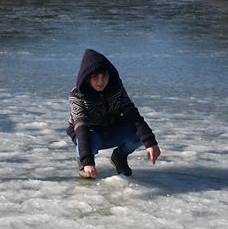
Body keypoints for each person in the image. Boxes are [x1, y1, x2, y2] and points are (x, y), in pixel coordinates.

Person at [67, 48, 161, 179]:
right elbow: (81, 128)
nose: (101, 82)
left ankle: (119, 156)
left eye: (104, 76)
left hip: (111, 130)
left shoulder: (116, 87)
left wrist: (151, 142)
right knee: (89, 141)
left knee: (140, 134)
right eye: (95, 77)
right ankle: (83, 164)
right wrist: (88, 161)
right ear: (87, 78)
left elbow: (132, 114)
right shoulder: (77, 95)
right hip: (90, 134)